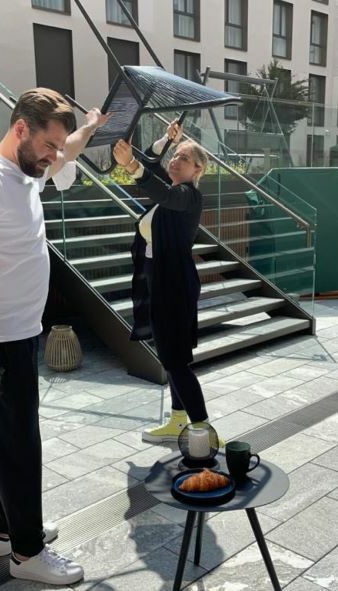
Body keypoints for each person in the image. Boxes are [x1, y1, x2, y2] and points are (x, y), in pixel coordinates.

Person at [0, 87, 110, 586]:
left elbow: (70, 147)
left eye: (57, 148)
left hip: (20, 331)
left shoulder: (26, 171)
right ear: (20, 130)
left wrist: (91, 127)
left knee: (3, 444)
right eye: (48, 146)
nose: (55, 157)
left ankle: (6, 534)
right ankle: (28, 555)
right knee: (19, 446)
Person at [113, 121, 210, 443]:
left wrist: (130, 165)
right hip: (162, 282)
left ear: (197, 169)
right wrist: (167, 140)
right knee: (172, 357)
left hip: (174, 285)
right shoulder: (173, 192)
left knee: (175, 361)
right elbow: (153, 164)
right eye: (175, 155)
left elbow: (159, 189)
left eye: (183, 157)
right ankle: (179, 421)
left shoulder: (186, 196)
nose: (175, 160)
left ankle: (203, 430)